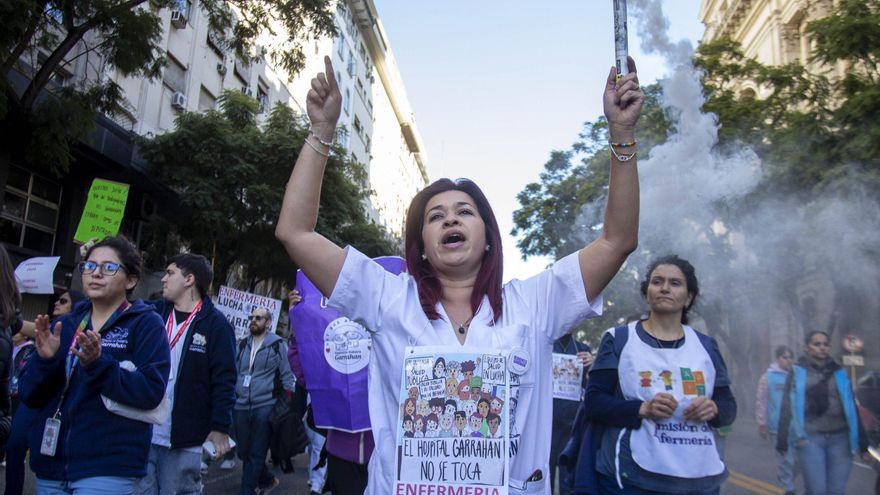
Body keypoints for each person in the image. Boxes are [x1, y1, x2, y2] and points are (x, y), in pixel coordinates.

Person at [275, 54, 643, 494]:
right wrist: (322, 131)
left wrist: (621, 135)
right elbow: (295, 232)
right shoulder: (386, 298)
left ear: (487, 237)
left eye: (464, 212)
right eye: (436, 217)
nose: (450, 220)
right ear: (423, 248)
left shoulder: (537, 304)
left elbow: (617, 240)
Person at [18, 235, 170, 494]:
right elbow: (29, 395)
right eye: (89, 266)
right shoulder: (65, 326)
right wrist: (45, 361)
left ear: (131, 280)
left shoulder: (146, 324)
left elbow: (150, 391)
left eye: (109, 268)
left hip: (108, 467)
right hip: (52, 467)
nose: (96, 273)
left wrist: (99, 364)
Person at [574, 255, 737, 495]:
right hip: (631, 479)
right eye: (657, 281)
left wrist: (714, 409)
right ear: (647, 291)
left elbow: (728, 407)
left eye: (675, 283)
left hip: (697, 478)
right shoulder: (619, 339)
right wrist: (642, 409)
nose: (664, 288)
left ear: (689, 296)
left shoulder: (706, 346)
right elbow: (594, 402)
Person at [133, 253, 237, 495]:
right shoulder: (152, 314)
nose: (163, 279)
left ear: (189, 279)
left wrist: (220, 426)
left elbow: (225, 380)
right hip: (143, 431)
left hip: (183, 438)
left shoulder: (216, 325)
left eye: (170, 273)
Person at [5, 288, 85, 495]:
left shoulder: (79, 328)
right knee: (14, 445)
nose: (57, 303)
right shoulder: (48, 327)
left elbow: (22, 326)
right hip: (34, 396)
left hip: (59, 404)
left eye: (63, 301)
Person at [777, 331, 867, 495]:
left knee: (836, 490)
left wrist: (862, 441)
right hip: (810, 438)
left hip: (840, 438)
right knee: (817, 490)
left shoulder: (839, 371)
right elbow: (786, 405)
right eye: (817, 344)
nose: (822, 348)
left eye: (825, 344)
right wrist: (782, 439)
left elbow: (851, 405)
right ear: (806, 347)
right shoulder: (797, 371)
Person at [234, 306, 296, 495]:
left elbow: (287, 376)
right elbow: (235, 372)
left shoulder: (278, 345)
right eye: (252, 317)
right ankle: (267, 479)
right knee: (244, 452)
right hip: (241, 405)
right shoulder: (242, 344)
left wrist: (284, 403)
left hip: (265, 406)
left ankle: (246, 491)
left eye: (258, 318)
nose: (253, 320)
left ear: (268, 323)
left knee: (256, 453)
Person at [550, 335, 592, 495]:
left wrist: (593, 365)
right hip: (548, 421)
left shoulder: (583, 350)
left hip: (572, 421)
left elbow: (590, 386)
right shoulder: (546, 344)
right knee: (545, 471)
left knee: (567, 475)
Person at [756, 345, 798, 495]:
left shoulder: (797, 376)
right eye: (784, 357)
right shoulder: (768, 377)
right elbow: (761, 401)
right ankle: (788, 488)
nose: (788, 360)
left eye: (790, 357)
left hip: (797, 426)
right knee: (784, 459)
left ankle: (786, 478)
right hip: (777, 426)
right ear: (778, 358)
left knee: (798, 460)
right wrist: (762, 423)